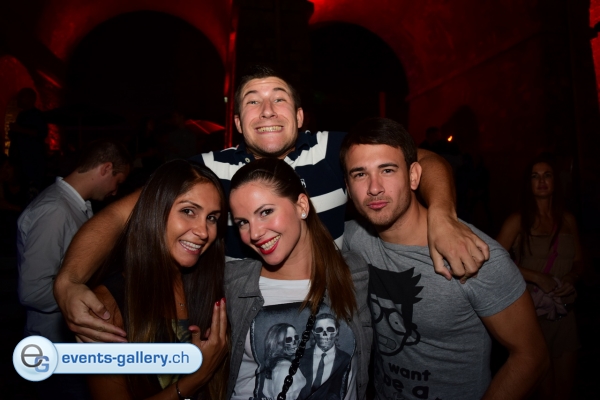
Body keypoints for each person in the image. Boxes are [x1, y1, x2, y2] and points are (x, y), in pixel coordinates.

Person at [53, 64, 489, 344]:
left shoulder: (332, 151)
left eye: (279, 98)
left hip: (335, 321)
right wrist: (69, 281)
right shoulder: (211, 170)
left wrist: (442, 216)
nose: (266, 110)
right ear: (238, 123)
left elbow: (421, 160)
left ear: (299, 117)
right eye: (253, 102)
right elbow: (121, 213)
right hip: (247, 331)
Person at [340, 117, 549, 400]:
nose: (374, 188)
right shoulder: (352, 239)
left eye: (387, 170)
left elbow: (532, 357)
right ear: (347, 186)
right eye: (360, 174)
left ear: (414, 176)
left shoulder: (471, 254)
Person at [225, 158, 371, 400]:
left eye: (265, 212)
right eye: (243, 222)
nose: (254, 233)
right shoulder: (233, 282)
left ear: (301, 205)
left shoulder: (353, 272)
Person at [88, 160, 229, 400]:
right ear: (155, 211)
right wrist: (196, 379)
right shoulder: (107, 306)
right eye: (188, 211)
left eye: (212, 218)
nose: (204, 232)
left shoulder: (209, 283)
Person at [17, 139, 131, 399]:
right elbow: (32, 291)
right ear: (106, 168)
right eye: (118, 181)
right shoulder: (54, 211)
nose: (115, 191)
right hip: (52, 347)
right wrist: (86, 292)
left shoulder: (76, 206)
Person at [497, 153, 583, 400]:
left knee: (565, 390)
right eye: (535, 176)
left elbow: (579, 261)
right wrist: (535, 276)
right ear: (528, 183)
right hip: (531, 315)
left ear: (556, 181)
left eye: (547, 175)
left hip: (564, 312)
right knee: (545, 391)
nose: (542, 181)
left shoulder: (568, 220)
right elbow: (494, 261)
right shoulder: (517, 221)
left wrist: (572, 278)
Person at [8, 87, 49, 203]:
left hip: (32, 162)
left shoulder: (37, 115)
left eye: (21, 97)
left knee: (32, 192)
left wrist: (19, 129)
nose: (18, 99)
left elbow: (41, 133)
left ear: (30, 99)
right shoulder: (21, 115)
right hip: (20, 162)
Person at [261, 323, 307, 399]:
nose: (295, 342)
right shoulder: (286, 368)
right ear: (276, 344)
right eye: (288, 339)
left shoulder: (277, 365)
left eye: (296, 337)